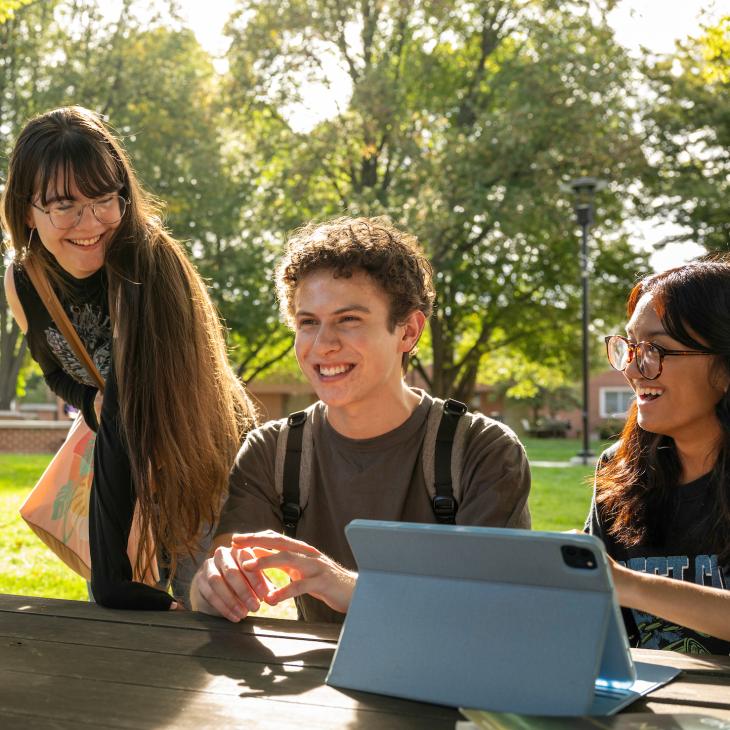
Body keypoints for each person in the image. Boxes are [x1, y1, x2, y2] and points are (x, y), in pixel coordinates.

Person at [191, 216, 531, 623]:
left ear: (408, 331)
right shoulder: (273, 451)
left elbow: (498, 609)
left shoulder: (482, 450)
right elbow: (213, 591)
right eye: (308, 323)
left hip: (445, 682)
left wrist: (345, 586)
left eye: (348, 320)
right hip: (320, 683)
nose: (323, 345)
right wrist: (214, 588)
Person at [2, 106, 256, 610]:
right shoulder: (23, 282)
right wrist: (88, 402)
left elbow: (125, 408)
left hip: (199, 453)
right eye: (64, 205)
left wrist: (111, 578)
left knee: (198, 611)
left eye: (103, 199)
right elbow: (56, 371)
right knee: (129, 628)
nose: (90, 221)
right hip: (126, 455)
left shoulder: (147, 264)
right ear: (26, 210)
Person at [587, 256, 730, 654]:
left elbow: (614, 583)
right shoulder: (618, 469)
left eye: (655, 349)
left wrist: (628, 585)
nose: (632, 370)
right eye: (630, 347)